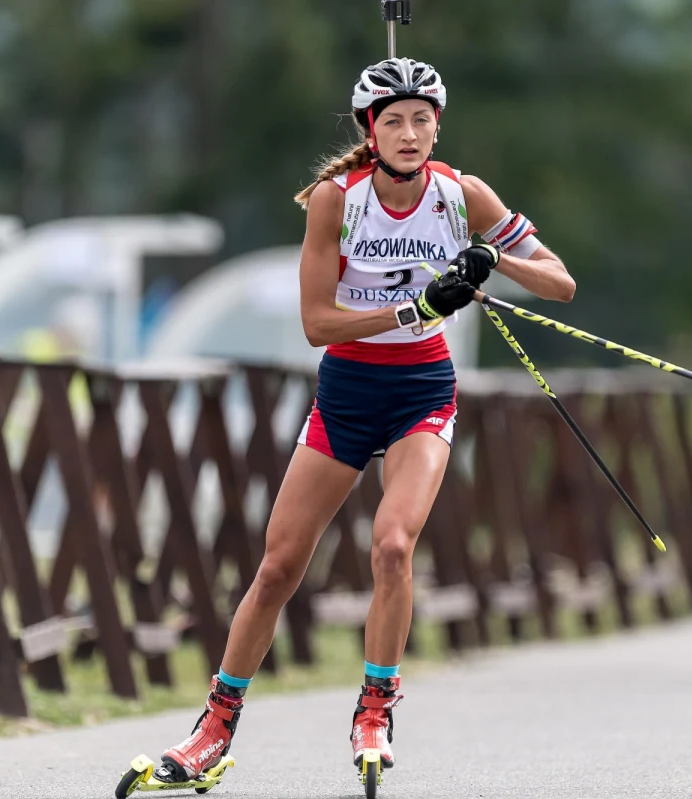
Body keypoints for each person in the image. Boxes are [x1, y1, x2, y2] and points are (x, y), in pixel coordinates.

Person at [148, 56, 575, 785]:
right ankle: (215, 726)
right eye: (394, 122)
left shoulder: (460, 194)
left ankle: (374, 706)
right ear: (368, 132)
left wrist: (490, 258)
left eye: (423, 120)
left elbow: (559, 282)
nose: (411, 134)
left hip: (423, 392)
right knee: (280, 565)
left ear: (438, 126)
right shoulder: (334, 201)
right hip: (347, 390)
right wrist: (417, 307)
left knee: (393, 545)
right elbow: (318, 323)